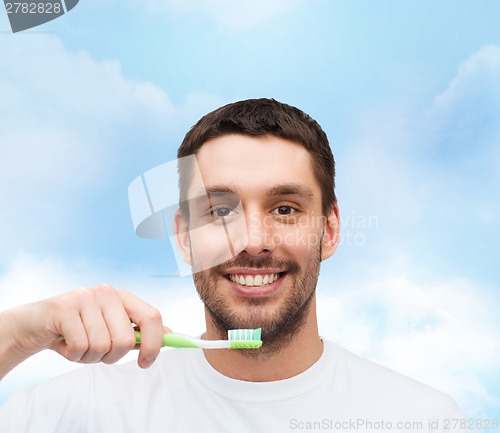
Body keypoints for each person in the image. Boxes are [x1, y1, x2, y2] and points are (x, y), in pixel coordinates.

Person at [0, 99, 465, 432]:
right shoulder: (75, 412)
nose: (253, 242)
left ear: (329, 229)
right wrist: (20, 334)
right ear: (183, 236)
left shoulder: (424, 419)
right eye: (220, 211)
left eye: (285, 209)